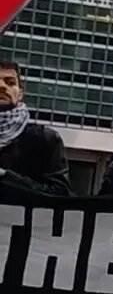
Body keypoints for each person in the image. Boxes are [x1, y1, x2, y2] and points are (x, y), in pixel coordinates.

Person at [0, 59, 71, 195]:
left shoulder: (44, 139)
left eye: (10, 83)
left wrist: (5, 176)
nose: (2, 86)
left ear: (20, 94)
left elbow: (60, 193)